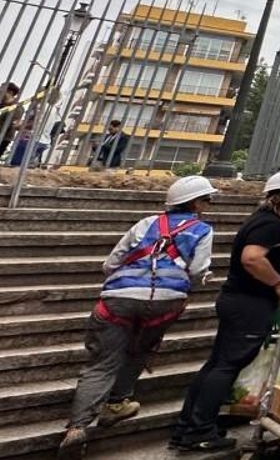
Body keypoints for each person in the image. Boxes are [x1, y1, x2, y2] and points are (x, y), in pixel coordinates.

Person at [59, 176, 217, 458]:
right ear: (194, 203)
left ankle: (78, 427)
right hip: (165, 303)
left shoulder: (146, 223)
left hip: (118, 300)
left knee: (101, 364)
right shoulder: (201, 230)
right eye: (206, 200)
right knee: (138, 350)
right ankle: (117, 402)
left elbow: (112, 261)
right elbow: (197, 270)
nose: (208, 205)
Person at [170, 169, 280, 452]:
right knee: (226, 366)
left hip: (238, 301)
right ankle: (199, 430)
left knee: (217, 364)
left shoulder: (263, 221)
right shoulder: (268, 224)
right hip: (249, 303)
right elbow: (253, 258)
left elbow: (265, 250)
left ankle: (189, 426)